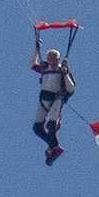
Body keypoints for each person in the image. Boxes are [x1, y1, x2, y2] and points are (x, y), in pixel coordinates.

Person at [32, 35, 76, 166]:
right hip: (43, 99)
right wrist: (36, 49)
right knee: (37, 128)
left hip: (56, 99)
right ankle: (54, 147)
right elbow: (32, 64)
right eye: (50, 59)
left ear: (58, 59)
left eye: (54, 59)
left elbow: (71, 89)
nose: (52, 62)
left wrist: (65, 73)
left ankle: (53, 149)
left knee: (52, 125)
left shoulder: (62, 71)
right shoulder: (44, 68)